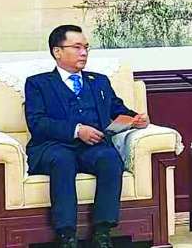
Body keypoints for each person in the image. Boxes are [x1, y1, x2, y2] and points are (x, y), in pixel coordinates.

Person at [24, 25, 149, 248]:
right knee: (63, 160)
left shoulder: (99, 81)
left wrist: (137, 118)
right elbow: (37, 123)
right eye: (77, 47)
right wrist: (77, 130)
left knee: (110, 159)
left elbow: (118, 110)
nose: (84, 53)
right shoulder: (38, 84)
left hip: (93, 147)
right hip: (53, 146)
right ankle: (66, 235)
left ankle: (103, 233)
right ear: (57, 51)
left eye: (86, 47)